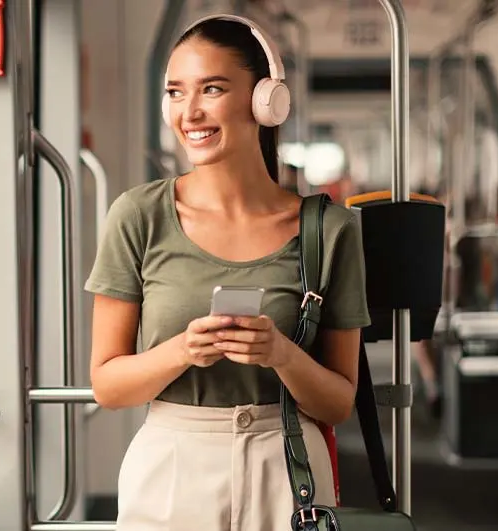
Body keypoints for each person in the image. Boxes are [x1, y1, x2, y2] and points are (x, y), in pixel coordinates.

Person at [84, 14, 370, 531]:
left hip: (288, 473)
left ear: (265, 100)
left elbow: (339, 402)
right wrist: (183, 350)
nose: (189, 111)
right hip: (170, 469)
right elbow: (108, 384)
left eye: (211, 88)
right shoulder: (138, 215)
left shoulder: (331, 229)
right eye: (175, 91)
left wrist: (280, 354)